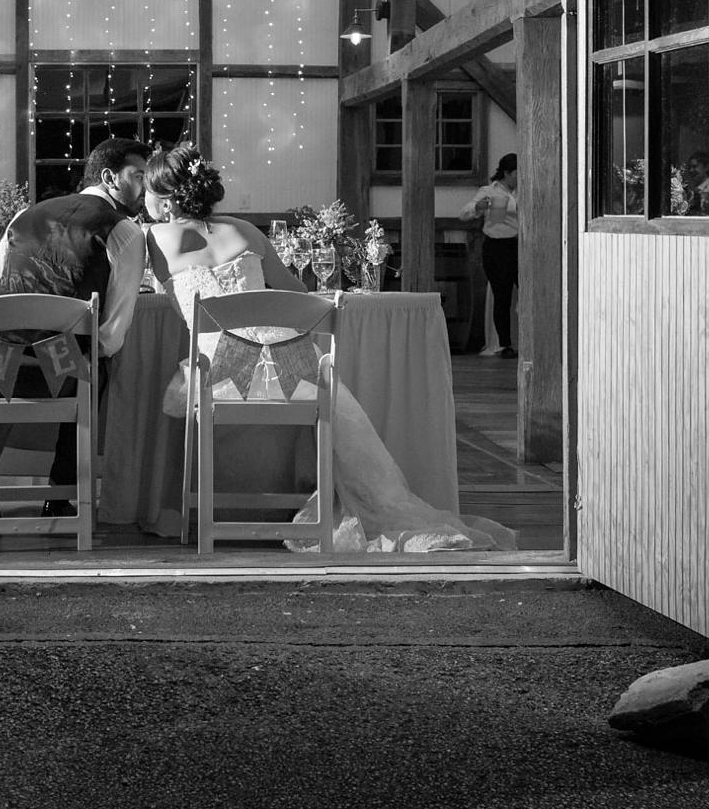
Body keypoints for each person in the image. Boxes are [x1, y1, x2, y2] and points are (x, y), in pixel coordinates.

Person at [141, 142, 516, 554]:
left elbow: (167, 291)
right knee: (330, 394)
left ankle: (197, 514)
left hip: (220, 375)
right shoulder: (246, 232)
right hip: (288, 369)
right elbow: (299, 293)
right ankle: (329, 503)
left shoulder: (157, 238)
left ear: (165, 199)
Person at [0, 138, 151, 520]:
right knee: (95, 364)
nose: (146, 187)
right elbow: (112, 334)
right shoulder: (124, 231)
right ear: (109, 178)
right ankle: (60, 494)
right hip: (65, 373)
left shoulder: (25, 216)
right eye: (138, 176)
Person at [461, 153, 521, 358]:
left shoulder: (524, 190)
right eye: (516, 173)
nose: (519, 178)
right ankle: (504, 344)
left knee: (528, 294)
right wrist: (478, 208)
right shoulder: (488, 191)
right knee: (502, 296)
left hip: (522, 247)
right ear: (506, 173)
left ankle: (531, 338)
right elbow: (465, 213)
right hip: (497, 248)